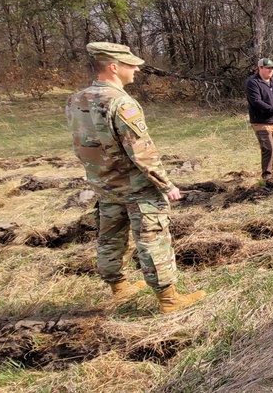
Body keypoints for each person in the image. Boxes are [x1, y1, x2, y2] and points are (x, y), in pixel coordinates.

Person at [66, 42, 205, 313]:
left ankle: (118, 286)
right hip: (136, 186)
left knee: (109, 237)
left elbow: (82, 145)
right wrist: (166, 184)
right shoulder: (121, 103)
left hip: (104, 185)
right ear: (114, 67)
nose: (138, 69)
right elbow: (141, 152)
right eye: (131, 65)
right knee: (152, 238)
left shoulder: (76, 99)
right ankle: (168, 299)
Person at [245, 57, 273, 179]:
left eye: (272, 68)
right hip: (261, 122)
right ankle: (267, 177)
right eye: (268, 68)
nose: (270, 70)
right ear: (260, 68)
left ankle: (271, 172)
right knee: (268, 149)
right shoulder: (253, 83)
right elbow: (256, 102)